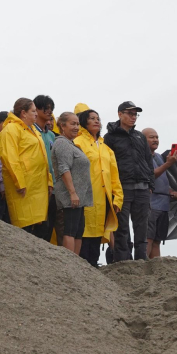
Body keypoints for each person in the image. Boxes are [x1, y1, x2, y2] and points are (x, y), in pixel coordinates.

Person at [103, 101, 154, 262]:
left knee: (142, 227)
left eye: (135, 114)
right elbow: (107, 163)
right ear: (120, 114)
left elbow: (148, 161)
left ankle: (141, 259)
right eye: (130, 113)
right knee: (122, 227)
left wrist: (150, 185)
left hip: (142, 188)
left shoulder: (139, 136)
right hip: (122, 188)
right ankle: (123, 261)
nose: (133, 117)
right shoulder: (109, 137)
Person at [73, 104, 123, 267]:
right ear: (84, 122)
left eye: (98, 119)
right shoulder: (77, 142)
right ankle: (83, 265)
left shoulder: (106, 148)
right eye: (92, 119)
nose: (96, 121)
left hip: (103, 198)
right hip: (84, 195)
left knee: (98, 233)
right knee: (84, 231)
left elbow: (114, 175)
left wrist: (118, 199)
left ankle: (93, 265)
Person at [0, 98, 52, 237]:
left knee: (40, 230)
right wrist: (20, 183)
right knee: (24, 229)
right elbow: (10, 158)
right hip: (23, 187)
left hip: (38, 186)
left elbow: (44, 157)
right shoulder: (10, 129)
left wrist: (49, 181)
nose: (36, 114)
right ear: (23, 113)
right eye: (33, 111)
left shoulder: (34, 129)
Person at [51, 111, 93, 255]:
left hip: (79, 197)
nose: (76, 127)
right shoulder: (62, 143)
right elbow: (63, 168)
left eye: (77, 124)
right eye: (72, 124)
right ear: (62, 126)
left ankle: (77, 264)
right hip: (71, 196)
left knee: (78, 230)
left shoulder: (72, 144)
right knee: (70, 229)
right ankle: (70, 262)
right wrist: (73, 193)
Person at [142, 127, 177, 258]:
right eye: (151, 137)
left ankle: (155, 268)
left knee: (157, 240)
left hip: (163, 205)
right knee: (147, 238)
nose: (155, 140)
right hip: (150, 204)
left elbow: (162, 180)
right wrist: (168, 164)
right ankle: (142, 265)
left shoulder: (159, 157)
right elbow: (150, 176)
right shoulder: (142, 156)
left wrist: (171, 192)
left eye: (157, 137)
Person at [33, 95, 56, 241]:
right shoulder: (31, 132)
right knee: (36, 224)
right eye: (46, 108)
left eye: (51, 109)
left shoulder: (52, 135)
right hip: (36, 183)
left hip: (52, 183)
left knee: (49, 224)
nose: (49, 112)